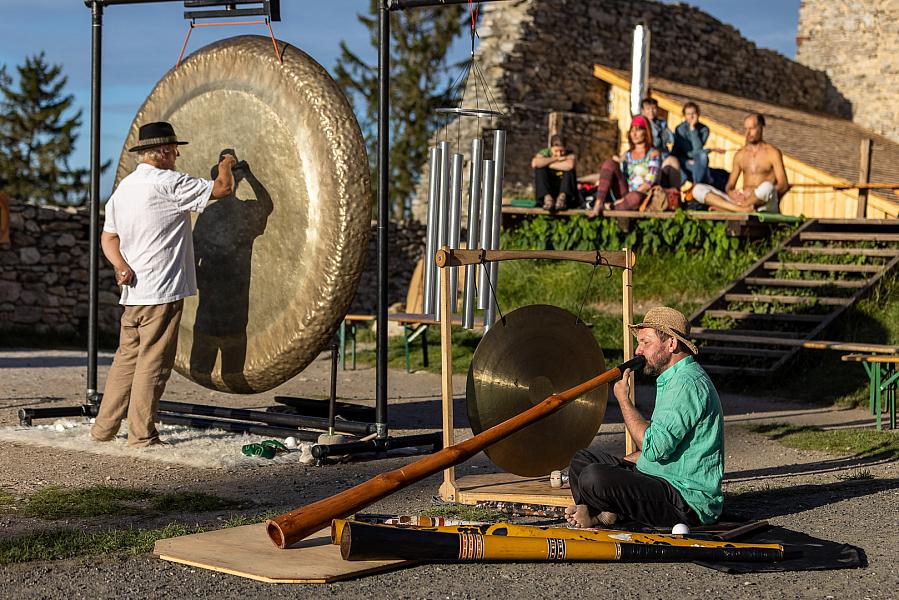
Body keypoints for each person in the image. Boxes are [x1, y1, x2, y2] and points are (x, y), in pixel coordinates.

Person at [91, 121, 236, 447]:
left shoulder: (123, 189)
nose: (178, 154)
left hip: (133, 293)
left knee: (126, 359)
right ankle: (142, 436)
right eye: (174, 149)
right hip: (161, 290)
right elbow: (223, 189)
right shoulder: (169, 182)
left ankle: (103, 431)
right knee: (153, 364)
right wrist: (226, 162)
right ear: (164, 152)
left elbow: (108, 237)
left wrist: (121, 266)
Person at [564, 306, 724, 529]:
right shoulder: (674, 378)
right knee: (583, 460)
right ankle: (601, 513)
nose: (638, 351)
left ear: (671, 344)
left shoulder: (686, 385)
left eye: (645, 342)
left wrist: (623, 400)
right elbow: (663, 447)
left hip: (686, 500)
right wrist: (623, 464)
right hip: (659, 477)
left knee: (594, 477)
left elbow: (655, 448)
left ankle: (599, 511)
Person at [691, 113, 790, 213]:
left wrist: (755, 195)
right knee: (698, 189)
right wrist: (732, 193)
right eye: (746, 129)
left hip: (764, 204)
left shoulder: (772, 153)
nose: (748, 133)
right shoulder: (740, 155)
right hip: (743, 202)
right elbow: (729, 186)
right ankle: (740, 209)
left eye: (752, 128)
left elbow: (783, 185)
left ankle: (733, 209)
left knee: (767, 186)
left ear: (761, 127)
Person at [583, 115, 660, 216]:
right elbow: (610, 174)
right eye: (632, 130)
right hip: (624, 192)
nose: (634, 134)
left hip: (641, 195)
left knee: (634, 197)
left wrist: (625, 199)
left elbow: (648, 183)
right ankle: (599, 203)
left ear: (646, 132)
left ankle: (611, 207)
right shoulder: (626, 155)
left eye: (638, 130)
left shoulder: (653, 153)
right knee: (610, 163)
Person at [672, 102, 723, 185]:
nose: (691, 117)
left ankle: (696, 186)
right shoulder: (680, 129)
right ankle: (703, 180)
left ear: (698, 114)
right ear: (684, 115)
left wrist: (693, 129)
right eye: (688, 114)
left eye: (693, 113)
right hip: (682, 158)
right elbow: (689, 151)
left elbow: (697, 150)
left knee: (702, 157)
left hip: (696, 159)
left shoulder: (704, 129)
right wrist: (710, 150)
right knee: (701, 164)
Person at [640, 97, 682, 188]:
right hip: (648, 159)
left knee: (674, 162)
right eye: (648, 109)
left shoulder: (662, 123)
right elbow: (655, 142)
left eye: (654, 108)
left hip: (663, 158)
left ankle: (675, 195)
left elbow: (670, 139)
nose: (651, 111)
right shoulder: (640, 126)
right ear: (643, 111)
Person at [531, 134, 578, 211]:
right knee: (540, 169)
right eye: (556, 151)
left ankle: (562, 198)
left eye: (562, 151)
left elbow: (570, 165)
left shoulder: (570, 153)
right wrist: (556, 159)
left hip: (565, 188)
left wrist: (547, 164)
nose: (559, 154)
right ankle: (547, 199)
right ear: (551, 148)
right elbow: (535, 163)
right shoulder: (544, 153)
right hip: (549, 187)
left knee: (569, 171)